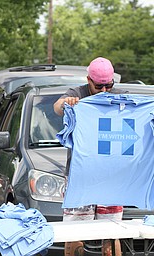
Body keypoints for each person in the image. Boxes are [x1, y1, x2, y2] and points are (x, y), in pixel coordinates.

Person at [54, 57, 128, 256]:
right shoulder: (77, 94)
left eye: (109, 85)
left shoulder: (120, 97)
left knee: (112, 233)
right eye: (99, 86)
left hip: (111, 176)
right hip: (81, 176)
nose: (104, 91)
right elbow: (57, 107)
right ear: (89, 80)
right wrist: (66, 104)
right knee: (75, 232)